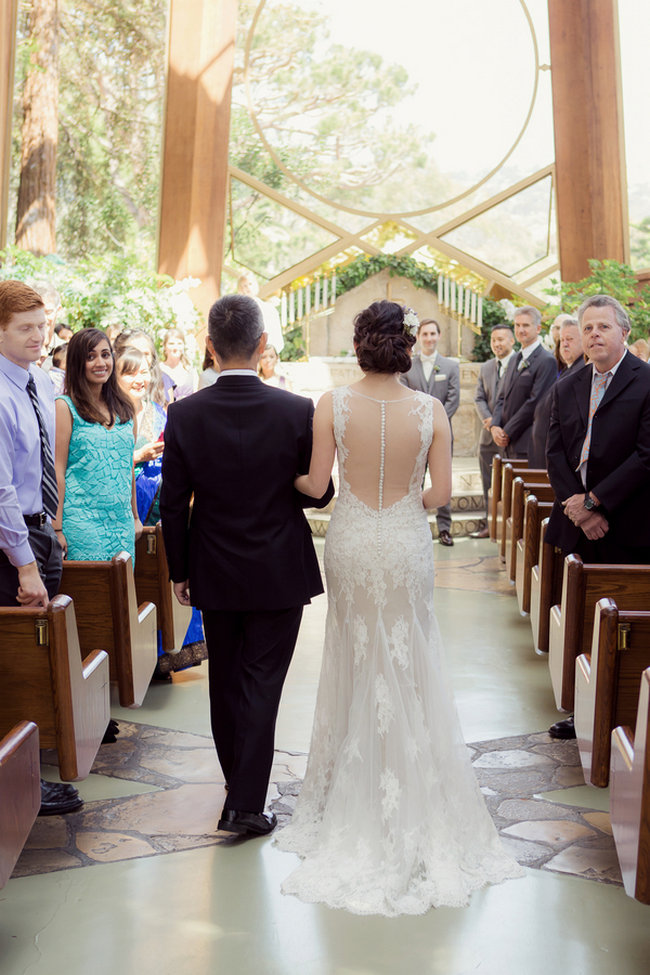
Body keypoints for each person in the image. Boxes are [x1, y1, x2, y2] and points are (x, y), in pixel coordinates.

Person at [275, 300, 523, 915]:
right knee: (408, 654)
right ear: (407, 346)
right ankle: (414, 780)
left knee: (352, 650)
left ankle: (342, 793)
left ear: (360, 344)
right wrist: (405, 496)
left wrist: (284, 477)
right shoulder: (431, 408)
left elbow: (316, 484)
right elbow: (439, 492)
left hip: (354, 541)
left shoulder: (331, 404)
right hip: (405, 542)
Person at [159, 294, 333, 837]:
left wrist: (180, 571)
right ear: (262, 347)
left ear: (209, 348)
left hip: (213, 565)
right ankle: (245, 805)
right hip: (279, 566)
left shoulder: (184, 413)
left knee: (225, 681)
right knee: (263, 683)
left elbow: (172, 501)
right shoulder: (295, 410)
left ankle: (240, 787)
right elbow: (317, 494)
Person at [545, 294, 650, 740]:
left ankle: (626, 710)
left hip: (628, 523)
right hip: (577, 525)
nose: (593, 335)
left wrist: (597, 503)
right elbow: (555, 452)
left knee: (625, 623)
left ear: (623, 332)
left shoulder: (646, 381)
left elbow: (646, 456)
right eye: (587, 328)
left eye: (603, 327)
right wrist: (578, 507)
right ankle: (581, 710)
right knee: (583, 620)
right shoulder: (568, 384)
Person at [0, 280, 83, 816]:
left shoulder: (38, 381)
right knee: (14, 659)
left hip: (40, 532)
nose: (38, 335)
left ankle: (27, 772)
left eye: (42, 324)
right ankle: (16, 781)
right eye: (25, 328)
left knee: (36, 654)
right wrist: (26, 566)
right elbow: (2, 489)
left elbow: (43, 469)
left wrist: (51, 530)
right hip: (12, 546)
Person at [53, 328, 141, 562]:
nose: (100, 362)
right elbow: (57, 471)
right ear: (76, 363)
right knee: (91, 597)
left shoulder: (125, 408)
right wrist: (57, 527)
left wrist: (135, 517)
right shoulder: (65, 407)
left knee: (123, 596)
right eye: (90, 357)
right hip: (81, 525)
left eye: (105, 354)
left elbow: (127, 467)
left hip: (122, 524)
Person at [402, 318, 460, 545]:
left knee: (441, 479)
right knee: (415, 480)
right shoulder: (407, 365)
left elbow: (453, 400)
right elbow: (405, 398)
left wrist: (435, 427)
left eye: (432, 334)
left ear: (438, 336)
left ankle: (444, 527)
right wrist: (421, 427)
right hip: (414, 436)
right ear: (418, 337)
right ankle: (415, 525)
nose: (428, 338)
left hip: (442, 437)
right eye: (424, 334)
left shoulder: (450, 366)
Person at [490, 305, 557, 459]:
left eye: (526, 325)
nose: (521, 330)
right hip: (506, 443)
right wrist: (495, 426)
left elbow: (535, 402)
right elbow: (502, 396)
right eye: (517, 325)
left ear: (538, 328)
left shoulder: (546, 360)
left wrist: (508, 431)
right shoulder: (514, 359)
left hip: (527, 442)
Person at [471, 324, 516, 537]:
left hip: (512, 436)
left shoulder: (520, 364)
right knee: (488, 483)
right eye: (494, 340)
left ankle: (509, 527)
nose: (497, 344)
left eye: (501, 339)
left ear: (512, 341)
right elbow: (479, 397)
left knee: (511, 486)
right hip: (488, 437)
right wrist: (489, 421)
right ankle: (490, 525)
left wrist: (503, 427)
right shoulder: (486, 367)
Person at [527, 317, 586, 469]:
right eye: (562, 339)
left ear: (583, 341)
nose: (564, 344)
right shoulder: (568, 369)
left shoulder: (581, 372)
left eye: (570, 339)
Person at [115, 347, 165, 524]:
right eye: (130, 374)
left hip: (155, 512)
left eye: (144, 372)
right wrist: (137, 456)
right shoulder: (105, 417)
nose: (139, 380)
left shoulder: (159, 414)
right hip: (115, 511)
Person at [237, 271, 285, 354]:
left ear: (256, 286)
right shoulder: (235, 311)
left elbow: (276, 337)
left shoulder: (269, 309)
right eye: (244, 285)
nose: (248, 287)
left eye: (250, 284)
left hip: (266, 355)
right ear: (240, 289)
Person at [160, 327, 198, 400]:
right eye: (171, 344)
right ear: (164, 346)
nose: (175, 347)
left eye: (179, 343)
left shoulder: (191, 370)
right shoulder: (159, 370)